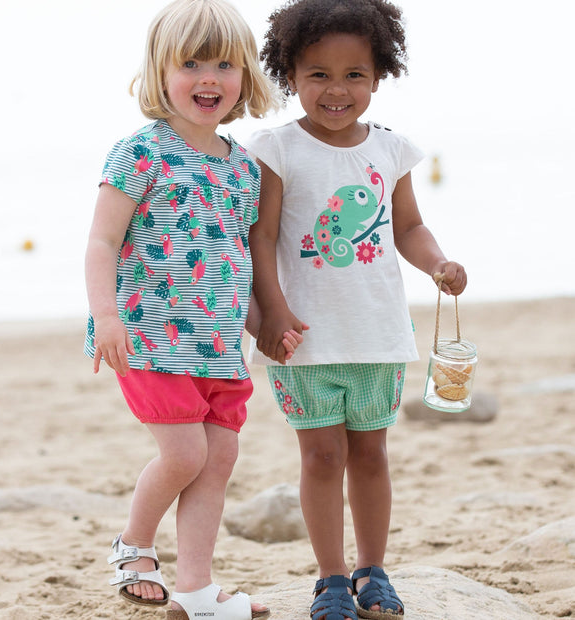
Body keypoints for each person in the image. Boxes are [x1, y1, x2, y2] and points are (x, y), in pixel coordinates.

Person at [247, 0, 467, 618]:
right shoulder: (276, 148)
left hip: (377, 335)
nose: (336, 90)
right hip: (305, 339)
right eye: (318, 74)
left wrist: (438, 264)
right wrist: (272, 310)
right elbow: (260, 239)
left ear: (378, 76)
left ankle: (373, 570)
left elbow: (410, 226)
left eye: (354, 75)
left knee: (370, 455)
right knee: (321, 457)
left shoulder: (392, 150)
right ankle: (332, 578)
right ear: (290, 75)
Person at [84, 1, 301, 618]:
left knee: (220, 458)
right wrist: (105, 315)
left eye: (225, 65)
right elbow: (101, 242)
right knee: (185, 455)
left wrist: (264, 328)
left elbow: (233, 258)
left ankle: (197, 590)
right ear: (160, 73)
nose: (209, 78)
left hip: (218, 346)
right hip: (149, 338)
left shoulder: (242, 169)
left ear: (245, 78)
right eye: (191, 63)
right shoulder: (139, 153)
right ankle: (133, 545)